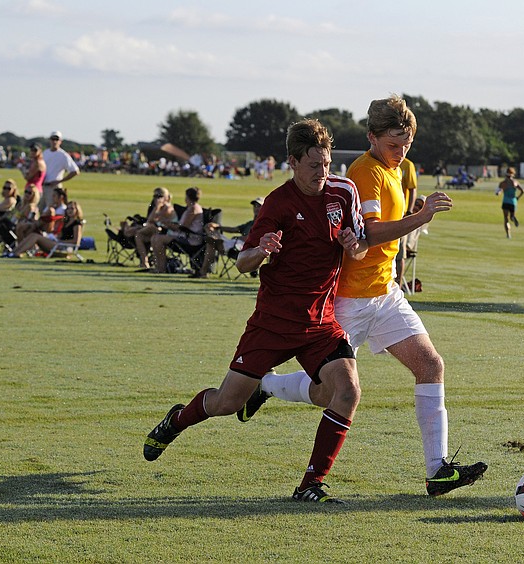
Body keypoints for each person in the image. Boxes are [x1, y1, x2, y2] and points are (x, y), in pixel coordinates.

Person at [244, 95, 487, 497]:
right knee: (327, 392)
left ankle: (437, 470)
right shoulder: (364, 172)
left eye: (407, 143)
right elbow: (369, 234)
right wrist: (419, 217)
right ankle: (266, 386)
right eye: (394, 144)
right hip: (349, 299)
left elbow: (390, 229)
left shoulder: (401, 168)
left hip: (384, 293)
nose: (401, 151)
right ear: (372, 138)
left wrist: (411, 223)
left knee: (431, 365)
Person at [142, 118, 368, 504]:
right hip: (273, 324)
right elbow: (244, 263)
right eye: (314, 165)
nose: (322, 173)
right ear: (293, 162)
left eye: (327, 164)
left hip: (320, 323)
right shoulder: (277, 204)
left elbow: (360, 248)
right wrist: (261, 249)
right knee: (226, 403)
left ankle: (310, 484)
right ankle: (176, 419)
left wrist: (354, 244)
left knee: (346, 392)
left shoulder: (344, 193)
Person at [193, 196, 263, 278]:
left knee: (212, 242)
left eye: (259, 206)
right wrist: (218, 227)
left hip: (243, 248)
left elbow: (257, 239)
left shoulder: (263, 223)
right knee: (211, 238)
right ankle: (204, 271)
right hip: (235, 244)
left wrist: (239, 238)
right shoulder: (250, 223)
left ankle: (203, 272)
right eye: (255, 206)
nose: (256, 208)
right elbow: (234, 229)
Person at [150, 186, 204, 274]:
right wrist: (168, 223)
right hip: (184, 237)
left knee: (158, 239)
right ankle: (159, 266)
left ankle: (162, 268)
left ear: (188, 197)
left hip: (190, 240)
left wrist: (169, 224)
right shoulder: (190, 208)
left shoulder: (193, 209)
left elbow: (183, 228)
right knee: (154, 238)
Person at [7, 200, 84, 258]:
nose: (69, 210)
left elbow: (76, 242)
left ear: (77, 210)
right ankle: (14, 252)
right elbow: (60, 235)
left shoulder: (77, 224)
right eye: (68, 208)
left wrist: (60, 241)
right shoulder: (66, 222)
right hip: (58, 244)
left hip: (65, 247)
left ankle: (17, 253)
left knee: (35, 236)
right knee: (33, 234)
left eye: (72, 208)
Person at [125, 187, 176, 270]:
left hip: (168, 233)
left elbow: (154, 221)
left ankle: (147, 263)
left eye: (160, 196)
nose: (156, 199)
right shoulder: (157, 207)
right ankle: (144, 262)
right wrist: (156, 207)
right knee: (139, 235)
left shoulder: (168, 208)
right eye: (155, 196)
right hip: (157, 231)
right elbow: (150, 220)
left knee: (139, 233)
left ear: (166, 197)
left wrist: (157, 207)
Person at [41, 131, 80, 210]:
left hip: (54, 188)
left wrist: (59, 181)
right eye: (53, 139)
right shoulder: (45, 153)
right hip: (43, 186)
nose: (54, 141)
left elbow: (75, 171)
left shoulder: (63, 155)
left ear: (60, 141)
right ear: (50, 140)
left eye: (57, 139)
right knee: (39, 210)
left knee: (51, 210)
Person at [395, 157, 418, 284]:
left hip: (400, 215)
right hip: (384, 216)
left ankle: (397, 286)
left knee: (400, 255)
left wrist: (409, 211)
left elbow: (412, 188)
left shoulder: (407, 165)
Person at [495, 167, 524, 239]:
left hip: (505, 201)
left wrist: (498, 193)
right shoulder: (515, 182)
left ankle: (508, 234)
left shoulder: (502, 183)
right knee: (511, 217)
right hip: (513, 202)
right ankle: (513, 218)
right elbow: (523, 191)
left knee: (506, 218)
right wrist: (517, 198)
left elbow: (498, 191)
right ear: (513, 174)